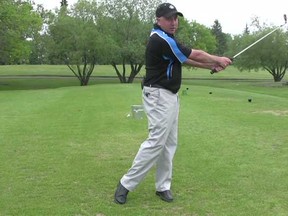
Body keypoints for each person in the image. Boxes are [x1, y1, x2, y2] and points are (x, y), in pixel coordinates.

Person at [114, 2, 232, 204]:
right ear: (158, 20)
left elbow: (184, 60)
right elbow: (195, 54)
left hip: (169, 95)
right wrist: (217, 58)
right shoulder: (160, 39)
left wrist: (213, 65)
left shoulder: (168, 39)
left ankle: (163, 186)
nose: (173, 22)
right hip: (159, 95)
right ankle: (125, 184)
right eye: (169, 18)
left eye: (176, 18)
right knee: (156, 141)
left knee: (169, 143)